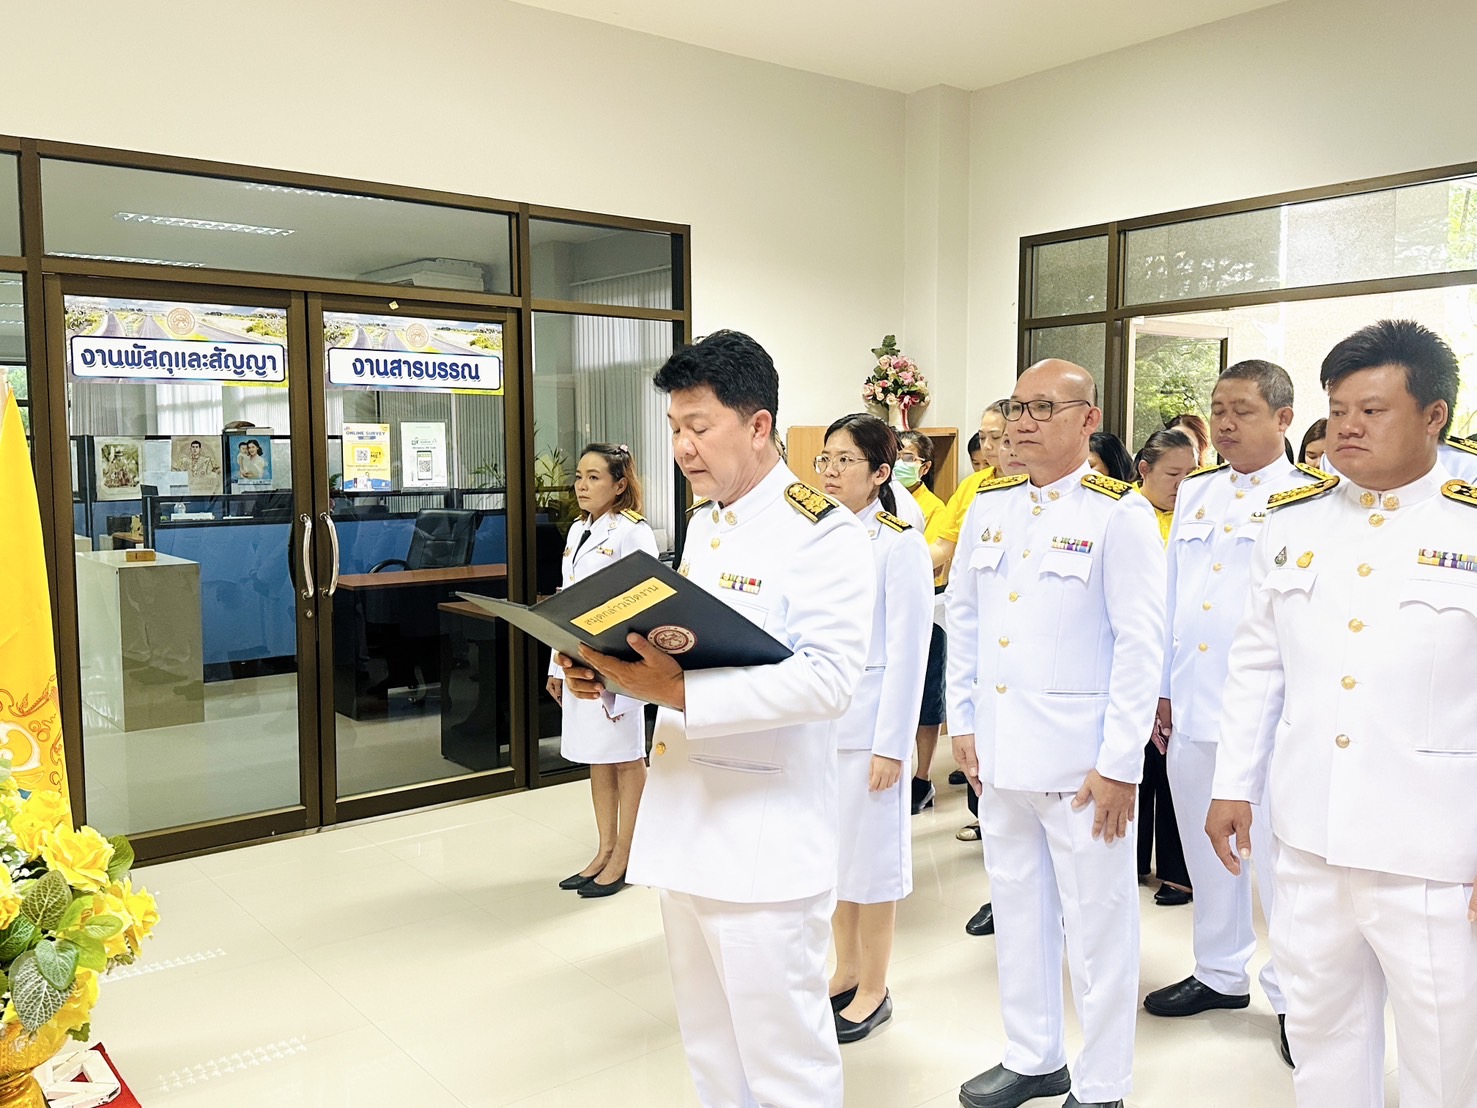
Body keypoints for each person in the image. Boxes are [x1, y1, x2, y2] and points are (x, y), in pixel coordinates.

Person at [558, 330, 873, 1108]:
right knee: (711, 1050)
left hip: (763, 845)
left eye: (698, 426)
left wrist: (676, 693)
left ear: (757, 425)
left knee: (784, 1065)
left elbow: (829, 680)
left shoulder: (822, 532)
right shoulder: (707, 524)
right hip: (688, 830)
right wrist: (614, 676)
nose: (682, 447)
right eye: (674, 428)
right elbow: (684, 655)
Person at [1208, 320, 1477, 1108]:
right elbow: (1256, 664)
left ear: (1433, 416)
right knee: (1321, 1036)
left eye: (1371, 410)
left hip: (1431, 851)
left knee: (1444, 1053)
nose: (1346, 427)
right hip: (1309, 835)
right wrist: (1232, 784)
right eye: (1337, 410)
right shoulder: (1292, 521)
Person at [949, 360, 1165, 1108]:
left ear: (1087, 419)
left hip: (1082, 768)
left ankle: (1102, 1083)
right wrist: (963, 722)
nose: (1023, 421)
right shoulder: (990, 504)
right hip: (1000, 755)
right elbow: (965, 619)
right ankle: (1033, 1055)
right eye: (1017, 406)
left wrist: (1120, 763)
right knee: (1018, 911)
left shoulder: (1119, 513)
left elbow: (1141, 646)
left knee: (1099, 926)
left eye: (1044, 407)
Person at [1144, 361, 1322, 1064]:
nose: (1224, 423)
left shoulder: (1310, 497)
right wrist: (1161, 688)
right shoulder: (1197, 491)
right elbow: (1171, 595)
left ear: (1282, 418)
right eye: (1217, 409)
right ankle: (1219, 973)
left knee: (1279, 864)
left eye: (1242, 410)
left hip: (1271, 715)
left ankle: (1295, 999)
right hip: (1193, 701)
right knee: (1205, 849)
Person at [819, 414, 932, 1043]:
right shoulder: (816, 535)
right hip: (821, 727)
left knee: (873, 866)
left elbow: (910, 653)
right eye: (825, 460)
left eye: (846, 461)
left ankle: (875, 987)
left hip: (870, 733)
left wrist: (893, 746)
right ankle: (845, 970)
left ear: (881, 473)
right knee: (835, 863)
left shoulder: (896, 544)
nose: (831, 472)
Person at [546, 443, 659, 898]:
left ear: (619, 484)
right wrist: (556, 665)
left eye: (594, 477)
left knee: (626, 756)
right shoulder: (578, 530)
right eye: (579, 476)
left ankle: (629, 854)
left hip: (618, 661)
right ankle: (604, 849)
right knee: (599, 755)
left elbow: (649, 598)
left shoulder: (632, 531)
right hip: (579, 659)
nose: (582, 485)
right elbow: (566, 598)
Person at [1130, 429, 1198, 909]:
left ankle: (1177, 870)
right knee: (1135, 765)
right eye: (1173, 474)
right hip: (1133, 654)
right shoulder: (1122, 512)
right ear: (1144, 470)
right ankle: (1132, 858)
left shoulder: (1198, 517)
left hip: (1178, 656)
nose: (1183, 484)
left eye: (1191, 474)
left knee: (1174, 766)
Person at [897, 429, 948, 814]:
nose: (902, 463)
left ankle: (923, 776)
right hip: (886, 610)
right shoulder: (879, 498)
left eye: (909, 457)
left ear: (925, 466)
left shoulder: (932, 508)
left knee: (927, 698)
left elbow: (929, 563)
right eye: (897, 455)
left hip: (926, 609)